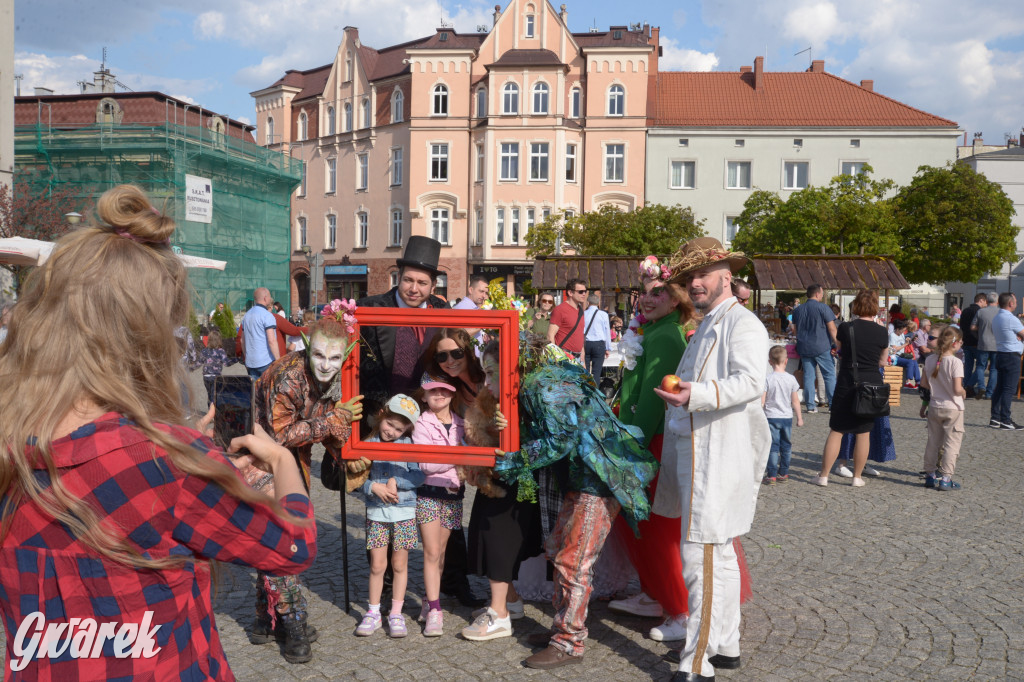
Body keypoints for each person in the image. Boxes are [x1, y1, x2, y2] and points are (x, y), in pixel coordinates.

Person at [0, 184, 317, 679]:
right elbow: (291, 546)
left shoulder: (11, 441)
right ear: (145, 329)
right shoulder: (164, 461)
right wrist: (277, 459)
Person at [492, 336, 658, 670]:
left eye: (491, 370)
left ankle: (569, 642)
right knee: (558, 549)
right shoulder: (552, 376)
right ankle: (562, 626)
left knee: (573, 561)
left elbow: (561, 438)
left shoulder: (542, 385)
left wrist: (515, 460)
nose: (490, 377)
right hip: (582, 478)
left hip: (597, 479)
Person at [650, 237, 769, 681]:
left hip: (718, 453)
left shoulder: (744, 324)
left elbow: (750, 383)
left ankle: (696, 663)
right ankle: (724, 644)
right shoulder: (709, 323)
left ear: (727, 274)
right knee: (717, 554)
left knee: (699, 555)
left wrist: (693, 395)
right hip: (699, 450)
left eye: (703, 274)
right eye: (689, 277)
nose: (695, 283)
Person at [356, 237, 483, 609]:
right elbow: (359, 367)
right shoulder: (368, 308)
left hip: (430, 415)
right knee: (386, 496)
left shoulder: (442, 311)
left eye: (423, 283)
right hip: (386, 419)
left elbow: (454, 361)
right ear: (399, 277)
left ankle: (453, 581)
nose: (414, 289)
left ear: (433, 286)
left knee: (444, 492)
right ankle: (382, 589)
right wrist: (382, 418)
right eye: (409, 280)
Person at [250, 308, 363, 663]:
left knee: (281, 536)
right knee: (285, 540)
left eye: (334, 357)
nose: (326, 365)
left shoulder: (337, 375)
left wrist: (344, 450)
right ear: (306, 347)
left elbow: (324, 421)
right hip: (259, 454)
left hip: (294, 459)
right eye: (318, 354)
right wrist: (333, 421)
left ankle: (266, 621)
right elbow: (282, 434)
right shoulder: (287, 377)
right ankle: (293, 623)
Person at [355, 395, 424, 638]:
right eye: (390, 424)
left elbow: (418, 476)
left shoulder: (409, 446)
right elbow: (355, 479)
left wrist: (397, 481)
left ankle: (396, 612)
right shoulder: (367, 443)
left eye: (399, 429)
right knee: (377, 565)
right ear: (382, 414)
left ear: (407, 430)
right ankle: (373, 612)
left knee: (399, 564)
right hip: (376, 513)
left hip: (404, 513)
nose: (391, 432)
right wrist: (373, 487)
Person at [814, 289, 890, 488]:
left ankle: (823, 476)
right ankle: (857, 477)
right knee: (863, 432)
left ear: (856, 306)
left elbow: (840, 350)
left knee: (837, 430)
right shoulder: (882, 331)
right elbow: (883, 361)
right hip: (871, 384)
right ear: (875, 308)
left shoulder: (847, 328)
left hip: (848, 381)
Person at [412, 373, 466, 637]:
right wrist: (458, 458)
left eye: (444, 390)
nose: (440, 395)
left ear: (452, 394)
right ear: (424, 396)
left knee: (441, 552)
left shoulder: (461, 424)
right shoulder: (421, 424)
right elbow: (426, 464)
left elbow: (467, 458)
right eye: (433, 391)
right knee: (431, 551)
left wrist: (452, 459)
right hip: (429, 492)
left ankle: (427, 598)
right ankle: (435, 609)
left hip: (454, 493)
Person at [920, 326, 967, 489]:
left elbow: (924, 384)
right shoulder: (956, 362)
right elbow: (956, 389)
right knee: (951, 444)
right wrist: (964, 391)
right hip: (953, 407)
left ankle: (930, 475)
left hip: (935, 406)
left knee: (933, 442)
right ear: (955, 343)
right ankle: (946, 478)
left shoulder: (930, 359)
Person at [790, 284, 838, 412]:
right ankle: (833, 404)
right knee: (829, 375)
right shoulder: (824, 308)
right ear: (817, 294)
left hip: (804, 347)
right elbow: (832, 328)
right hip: (822, 346)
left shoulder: (798, 310)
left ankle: (810, 406)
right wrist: (838, 344)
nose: (822, 295)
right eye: (822, 293)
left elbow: (794, 330)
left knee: (809, 376)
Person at [762, 345, 804, 484]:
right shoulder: (791, 379)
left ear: (770, 362)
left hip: (770, 416)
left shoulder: (767, 379)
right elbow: (795, 401)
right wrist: (799, 417)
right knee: (786, 446)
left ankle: (772, 474)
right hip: (786, 417)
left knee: (773, 446)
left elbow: (762, 401)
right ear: (786, 361)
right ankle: (784, 473)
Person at [989, 292, 1024, 430]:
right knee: (1009, 388)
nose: (1016, 303)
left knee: (1000, 387)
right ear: (1010, 303)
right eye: (1015, 301)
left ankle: (995, 417)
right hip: (1011, 355)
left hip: (1001, 353)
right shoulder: (1011, 319)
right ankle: (1005, 419)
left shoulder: (997, 317)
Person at [241, 287, 280, 378]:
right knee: (267, 391)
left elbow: (242, 341)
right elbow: (272, 341)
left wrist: (247, 358)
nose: (270, 299)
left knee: (254, 391)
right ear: (265, 298)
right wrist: (278, 361)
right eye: (270, 297)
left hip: (250, 362)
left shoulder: (247, 316)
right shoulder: (267, 316)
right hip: (265, 362)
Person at [548, 278, 588, 359]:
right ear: (570, 293)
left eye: (585, 291)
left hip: (578, 357)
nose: (584, 294)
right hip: (564, 355)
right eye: (580, 292)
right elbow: (550, 335)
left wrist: (582, 357)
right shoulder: (560, 310)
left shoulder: (580, 310)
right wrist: (555, 357)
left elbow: (579, 334)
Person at [972, 293, 1000, 400]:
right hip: (997, 345)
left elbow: (973, 327)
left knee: (980, 366)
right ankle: (989, 393)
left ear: (987, 301)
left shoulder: (981, 311)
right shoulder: (1001, 312)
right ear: (997, 302)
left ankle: (981, 386)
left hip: (983, 343)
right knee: (994, 369)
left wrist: (981, 330)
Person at [199, 328, 239, 403]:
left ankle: (210, 412)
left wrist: (191, 367)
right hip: (216, 377)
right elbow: (227, 363)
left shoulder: (204, 351)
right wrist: (237, 359)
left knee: (209, 395)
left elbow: (199, 362)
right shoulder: (221, 351)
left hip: (206, 377)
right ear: (219, 340)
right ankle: (214, 413)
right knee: (215, 396)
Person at [959, 293, 987, 398]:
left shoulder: (965, 310)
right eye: (985, 302)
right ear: (981, 300)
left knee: (968, 367)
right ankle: (970, 385)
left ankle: (965, 387)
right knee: (981, 366)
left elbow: (961, 326)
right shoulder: (980, 312)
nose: (986, 304)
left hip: (966, 342)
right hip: (976, 342)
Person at [583, 292, 611, 379]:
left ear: (588, 302)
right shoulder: (603, 314)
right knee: (596, 372)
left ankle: (584, 390)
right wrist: (607, 348)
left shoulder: (583, 314)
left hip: (585, 343)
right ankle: (595, 390)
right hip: (599, 343)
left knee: (584, 371)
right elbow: (607, 332)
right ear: (598, 303)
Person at [889, 319, 921, 388]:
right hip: (894, 357)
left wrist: (910, 340)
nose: (903, 332)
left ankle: (918, 382)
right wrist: (905, 344)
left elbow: (904, 344)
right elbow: (895, 349)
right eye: (902, 330)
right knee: (910, 362)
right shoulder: (892, 336)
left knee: (914, 361)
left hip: (902, 356)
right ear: (897, 329)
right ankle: (907, 382)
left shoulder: (902, 335)